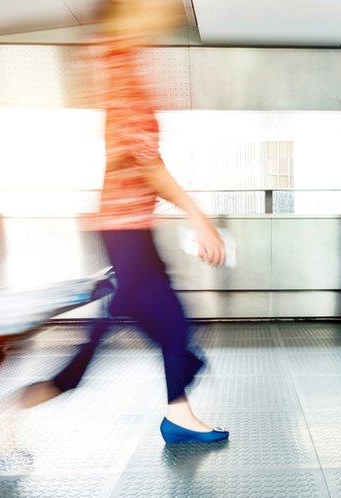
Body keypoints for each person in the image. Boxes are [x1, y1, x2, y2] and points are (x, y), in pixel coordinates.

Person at [14, 0, 229, 444]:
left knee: (160, 326)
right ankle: (29, 400)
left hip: (128, 226)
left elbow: (141, 157)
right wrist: (198, 216)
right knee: (168, 327)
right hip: (125, 228)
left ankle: (175, 409)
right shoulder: (119, 61)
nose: (168, 9)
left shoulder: (121, 57)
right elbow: (145, 159)